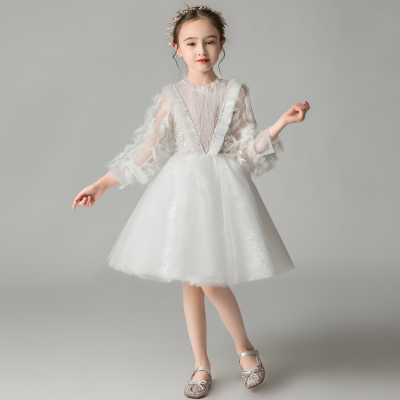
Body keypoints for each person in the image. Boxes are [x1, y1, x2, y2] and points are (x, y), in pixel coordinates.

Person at [72, 4, 310, 398]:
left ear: (222, 44)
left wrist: (281, 123)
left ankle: (245, 350)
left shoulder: (235, 92)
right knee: (192, 280)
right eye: (192, 43)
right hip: (181, 193)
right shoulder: (171, 96)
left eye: (210, 41)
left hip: (222, 192)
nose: (201, 50)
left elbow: (244, 152)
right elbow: (147, 152)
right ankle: (202, 364)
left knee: (208, 279)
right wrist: (102, 184)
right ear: (176, 48)